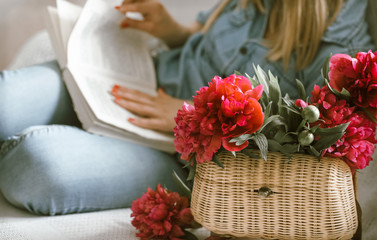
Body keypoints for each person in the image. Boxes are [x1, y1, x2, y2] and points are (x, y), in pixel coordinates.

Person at [0, 0, 374, 216]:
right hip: (138, 82)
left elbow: (308, 136)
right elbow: (204, 39)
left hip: (185, 152)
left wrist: (190, 113)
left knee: (33, 165)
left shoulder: (341, 35)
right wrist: (170, 29)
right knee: (7, 100)